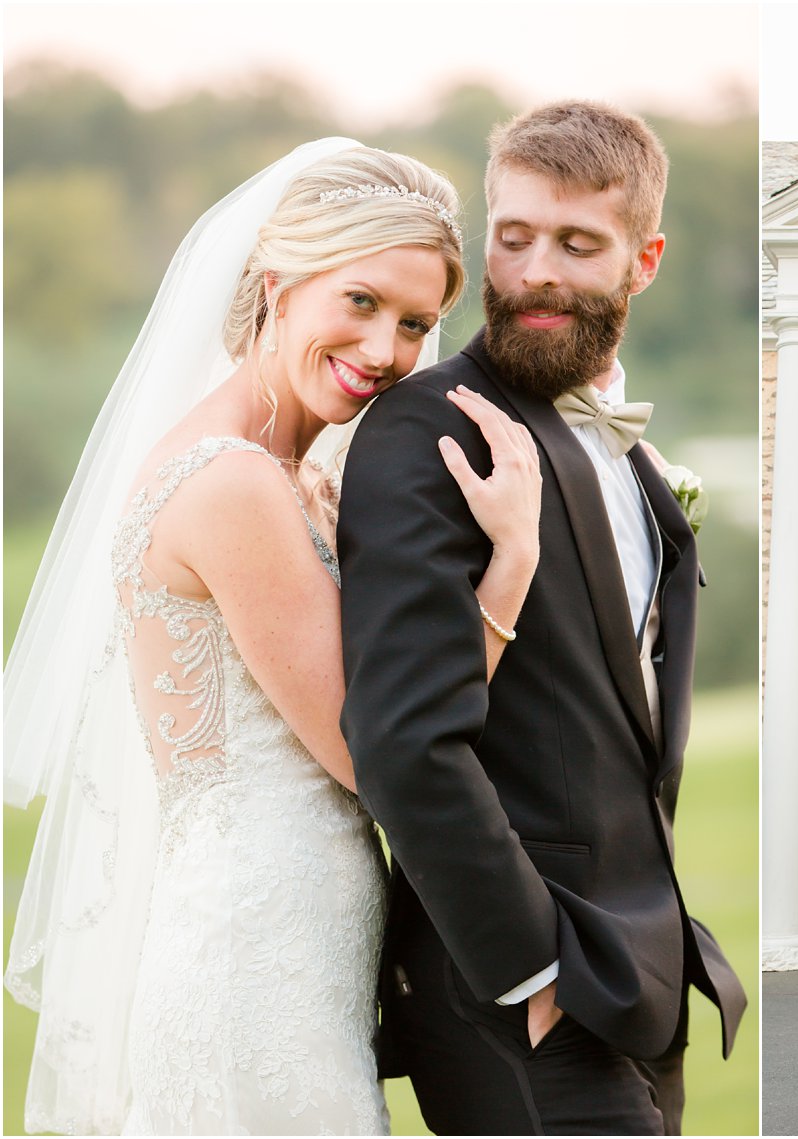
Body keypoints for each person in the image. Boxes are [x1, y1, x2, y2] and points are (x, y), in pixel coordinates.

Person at [3, 140, 543, 1135]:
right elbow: (363, 743)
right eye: (361, 301)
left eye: (416, 322)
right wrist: (509, 565)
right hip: (254, 959)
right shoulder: (234, 483)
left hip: (296, 942)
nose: (385, 349)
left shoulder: (287, 472)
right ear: (278, 285)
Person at [338, 100, 746, 1136]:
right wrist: (531, 971)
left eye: (576, 243)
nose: (536, 273)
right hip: (512, 992)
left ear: (643, 259)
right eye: (512, 238)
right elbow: (404, 741)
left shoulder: (640, 462)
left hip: (637, 982)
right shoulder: (426, 431)